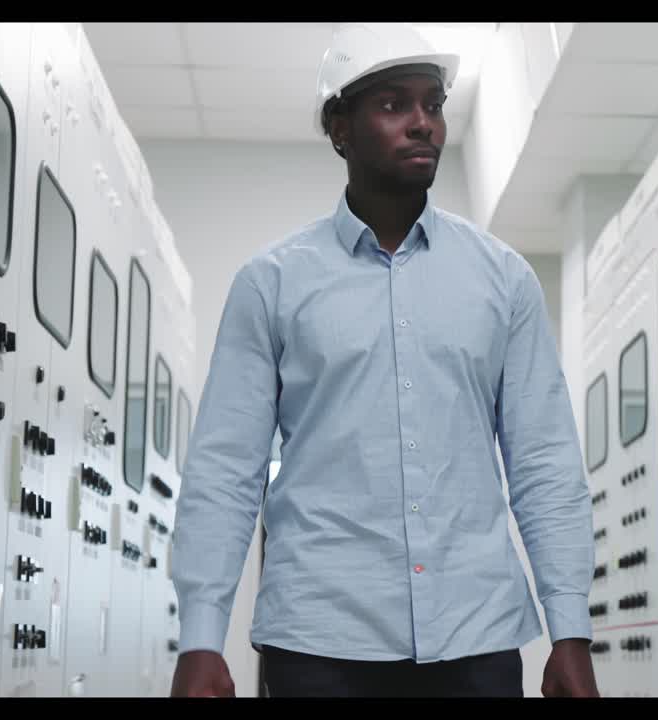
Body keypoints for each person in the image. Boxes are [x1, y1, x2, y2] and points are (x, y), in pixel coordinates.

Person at [169, 22, 598, 698]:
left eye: (432, 103)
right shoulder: (272, 284)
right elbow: (226, 470)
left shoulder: (504, 281)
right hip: (318, 644)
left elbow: (544, 463)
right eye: (394, 105)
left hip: (476, 636)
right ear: (340, 126)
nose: (423, 123)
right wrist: (201, 637)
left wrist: (569, 629)